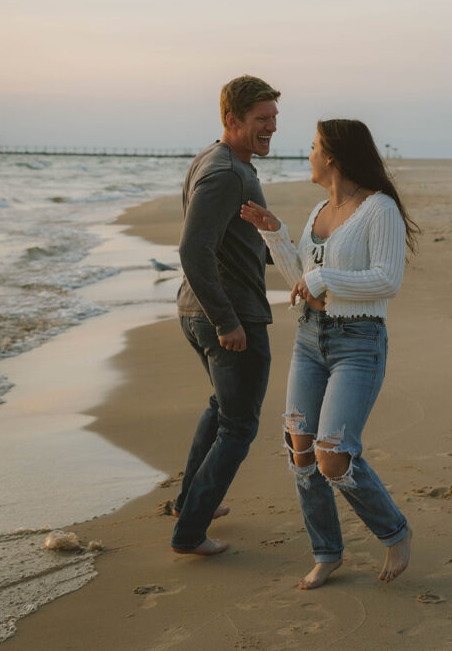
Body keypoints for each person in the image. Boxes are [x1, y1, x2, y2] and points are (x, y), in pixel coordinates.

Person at [240, 118, 418, 588]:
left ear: (334, 158)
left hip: (358, 344)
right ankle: (327, 551)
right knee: (300, 450)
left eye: (315, 146)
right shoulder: (320, 209)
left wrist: (324, 280)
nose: (309, 153)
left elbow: (388, 280)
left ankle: (394, 531)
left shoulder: (380, 211)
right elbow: (301, 276)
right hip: (309, 339)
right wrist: (274, 233)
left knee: (333, 456)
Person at [170, 75, 280, 556]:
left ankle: (190, 503)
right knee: (239, 426)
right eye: (261, 119)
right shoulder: (227, 173)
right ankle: (190, 532)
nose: (271, 128)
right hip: (227, 316)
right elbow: (193, 250)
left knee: (222, 407)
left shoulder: (217, 160)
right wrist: (227, 321)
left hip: (199, 309)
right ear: (231, 120)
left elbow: (238, 242)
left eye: (274, 118)